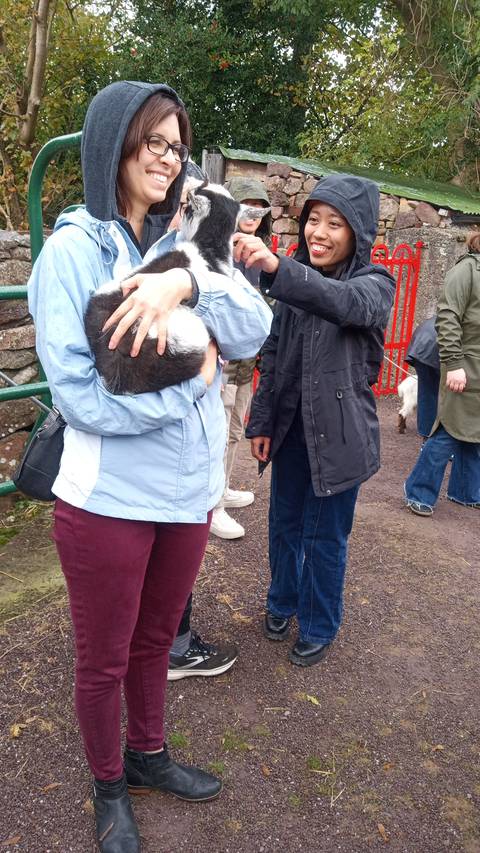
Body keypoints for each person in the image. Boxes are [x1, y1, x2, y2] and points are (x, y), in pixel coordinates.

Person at [28, 80, 272, 852]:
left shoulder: (187, 240)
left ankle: (149, 756)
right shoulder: (72, 252)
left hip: (187, 494)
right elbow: (81, 394)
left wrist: (188, 278)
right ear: (115, 146)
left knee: (158, 638)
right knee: (104, 656)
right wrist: (192, 389)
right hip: (107, 500)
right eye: (154, 142)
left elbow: (256, 327)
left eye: (178, 145)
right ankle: (108, 784)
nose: (169, 159)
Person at [239, 174, 396, 667]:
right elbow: (274, 352)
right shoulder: (294, 285)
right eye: (313, 220)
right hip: (289, 433)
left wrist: (279, 268)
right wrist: (261, 423)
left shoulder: (375, 284)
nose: (319, 232)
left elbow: (341, 303)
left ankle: (320, 621)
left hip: (342, 439)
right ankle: (281, 602)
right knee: (283, 524)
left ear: (358, 233)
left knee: (325, 537)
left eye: (335, 223)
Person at [167, 165, 240, 680]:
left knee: (173, 558)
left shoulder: (187, 254)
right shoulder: (155, 248)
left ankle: (171, 643)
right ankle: (174, 647)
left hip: (187, 453)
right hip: (165, 451)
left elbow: (251, 326)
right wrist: (201, 375)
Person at [209, 176, 272, 540]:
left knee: (234, 431)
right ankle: (212, 505)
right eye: (246, 207)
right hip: (222, 365)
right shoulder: (217, 248)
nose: (253, 215)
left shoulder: (257, 250)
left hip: (247, 364)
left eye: (260, 209)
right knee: (216, 432)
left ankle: (224, 488)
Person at [404, 232, 480, 516]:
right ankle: (419, 492)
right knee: (450, 428)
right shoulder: (467, 270)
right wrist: (454, 362)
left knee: (474, 432)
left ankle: (465, 491)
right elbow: (447, 317)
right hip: (464, 364)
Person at [404, 316, 440, 438]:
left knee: (426, 393)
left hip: (419, 347)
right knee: (437, 394)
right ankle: (434, 436)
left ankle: (426, 436)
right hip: (433, 348)